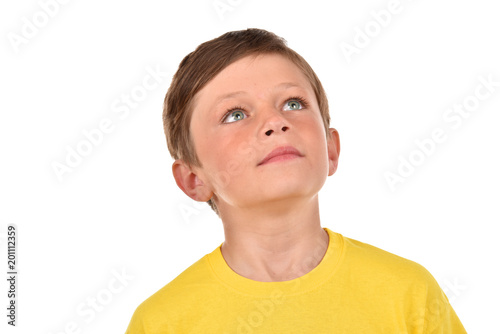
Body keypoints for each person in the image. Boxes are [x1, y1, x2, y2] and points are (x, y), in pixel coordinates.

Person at [125, 28, 467, 333]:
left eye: (293, 103)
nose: (275, 121)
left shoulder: (409, 294)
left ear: (331, 149)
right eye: (235, 114)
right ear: (193, 179)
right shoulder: (161, 323)